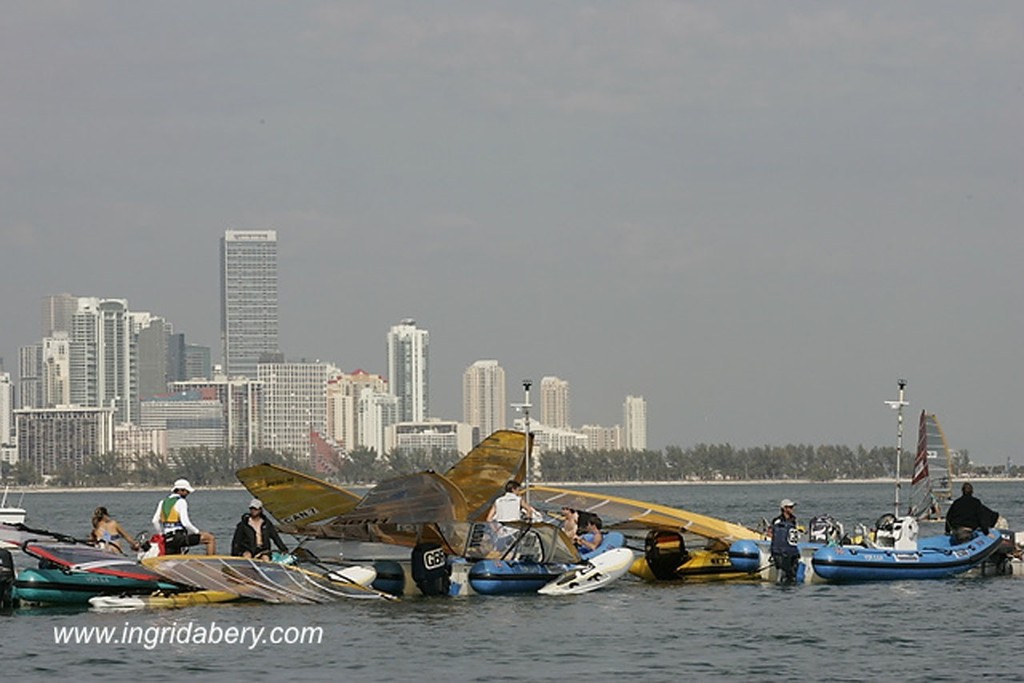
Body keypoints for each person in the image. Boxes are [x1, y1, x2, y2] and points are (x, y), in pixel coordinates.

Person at [151, 479, 216, 555]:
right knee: (210, 538)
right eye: (187, 491)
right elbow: (185, 523)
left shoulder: (162, 502)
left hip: (167, 539)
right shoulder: (181, 501)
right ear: (180, 490)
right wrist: (197, 532)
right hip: (178, 537)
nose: (188, 493)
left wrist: (161, 534)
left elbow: (154, 521)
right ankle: (211, 560)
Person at [769, 499, 800, 584]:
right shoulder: (777, 521)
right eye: (790, 507)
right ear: (784, 508)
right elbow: (771, 533)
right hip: (780, 551)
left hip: (791, 551)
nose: (792, 509)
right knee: (782, 573)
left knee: (792, 574)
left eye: (792, 507)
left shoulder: (794, 520)